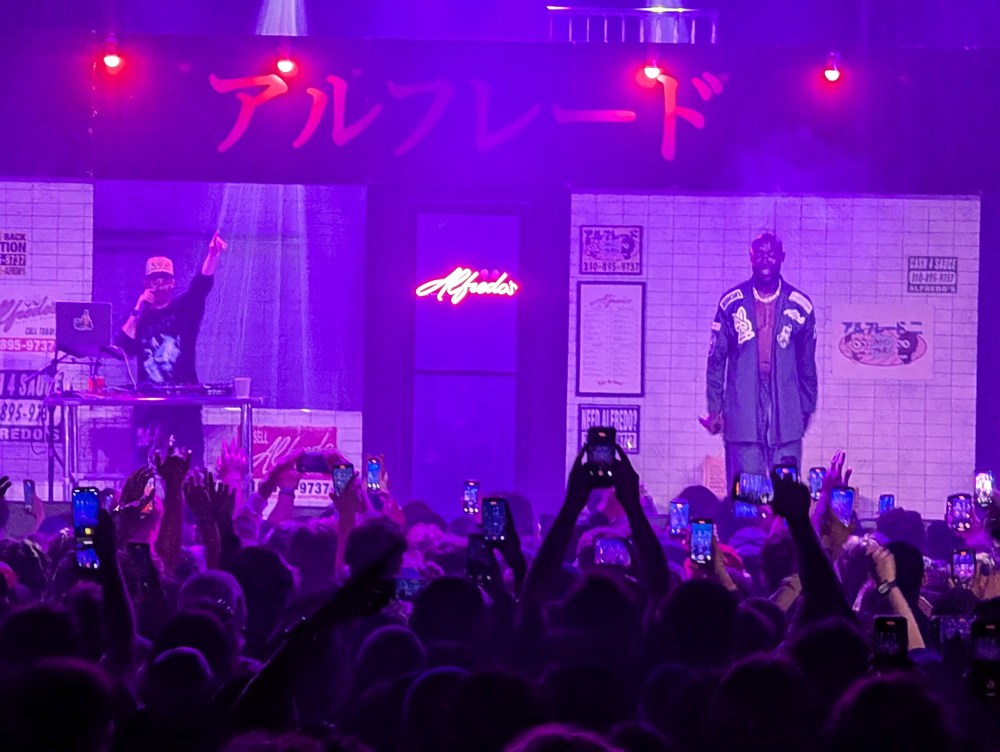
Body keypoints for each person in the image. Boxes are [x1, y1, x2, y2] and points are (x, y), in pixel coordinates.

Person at [701, 232, 818, 488]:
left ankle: (783, 517)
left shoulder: (800, 306)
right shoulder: (732, 303)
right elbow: (716, 359)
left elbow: (807, 363)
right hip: (743, 403)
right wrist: (715, 407)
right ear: (751, 258)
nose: (765, 260)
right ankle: (748, 516)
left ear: (782, 258)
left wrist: (807, 406)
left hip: (785, 403)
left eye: (771, 254)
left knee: (786, 490)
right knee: (747, 489)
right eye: (760, 254)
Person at [115, 233, 228, 467]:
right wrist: (137, 309)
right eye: (154, 280)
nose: (159, 285)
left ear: (173, 282)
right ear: (146, 284)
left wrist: (212, 255)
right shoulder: (140, 318)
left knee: (190, 467)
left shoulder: (184, 310)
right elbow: (122, 349)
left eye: (164, 279)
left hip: (183, 403)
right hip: (150, 405)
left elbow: (201, 286)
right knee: (144, 469)